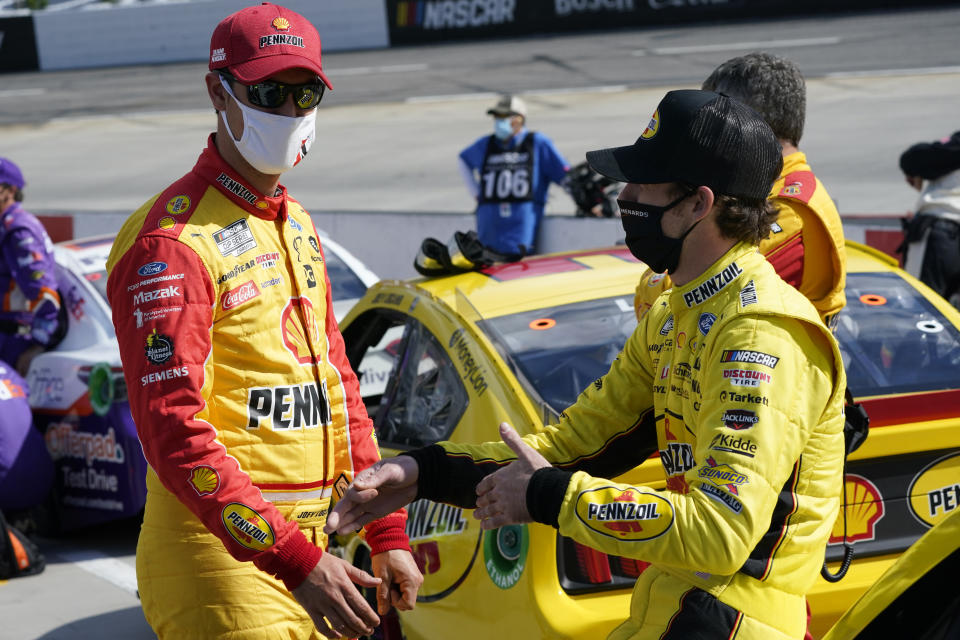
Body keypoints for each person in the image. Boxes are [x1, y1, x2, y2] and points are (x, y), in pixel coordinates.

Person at [326, 90, 847, 640]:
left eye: (645, 184)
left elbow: (720, 532)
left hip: (737, 621)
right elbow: (572, 446)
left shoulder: (762, 332)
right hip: (677, 609)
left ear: (699, 204)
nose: (626, 196)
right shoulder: (676, 312)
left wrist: (550, 496)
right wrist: (424, 473)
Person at [105, 5, 421, 639]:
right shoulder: (171, 241)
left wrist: (385, 528)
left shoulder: (295, 222)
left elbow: (339, 388)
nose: (288, 110)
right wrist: (298, 562)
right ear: (217, 93)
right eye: (269, 92)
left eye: (304, 93)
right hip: (221, 562)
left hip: (313, 552)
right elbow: (175, 435)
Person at [634, 53, 846, 326]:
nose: (700, 133)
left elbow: (676, 300)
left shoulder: (790, 210)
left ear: (740, 119)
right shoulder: (756, 188)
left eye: (708, 118)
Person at [0, 157, 61, 515]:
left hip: (17, 342)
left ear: (7, 191)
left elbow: (45, 296)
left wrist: (35, 345)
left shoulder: (18, 230)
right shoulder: (8, 225)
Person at [458, 94, 572, 256]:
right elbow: (463, 160)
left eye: (504, 116)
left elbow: (565, 176)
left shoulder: (536, 143)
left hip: (521, 235)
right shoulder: (487, 144)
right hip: (488, 232)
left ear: (519, 119)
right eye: (497, 117)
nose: (499, 121)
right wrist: (476, 193)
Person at [899, 130, 960, 308]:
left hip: (945, 228)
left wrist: (913, 170)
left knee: (920, 307)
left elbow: (915, 158)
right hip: (947, 232)